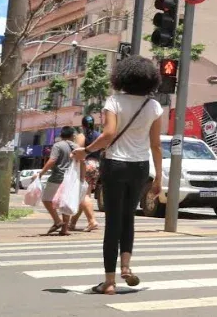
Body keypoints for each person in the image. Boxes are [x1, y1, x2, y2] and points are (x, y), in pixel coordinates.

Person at [71, 56, 164, 295]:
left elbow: (109, 133)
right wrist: (160, 178)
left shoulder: (114, 101)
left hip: (115, 165)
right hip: (140, 167)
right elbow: (156, 145)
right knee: (128, 219)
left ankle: (109, 282)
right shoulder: (153, 106)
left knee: (113, 223)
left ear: (122, 76)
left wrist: (86, 150)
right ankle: (126, 266)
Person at [36, 126, 77, 236]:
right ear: (72, 135)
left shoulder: (58, 145)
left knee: (45, 198)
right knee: (65, 202)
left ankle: (57, 221)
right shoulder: (76, 147)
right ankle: (64, 229)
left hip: (57, 176)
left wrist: (41, 173)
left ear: (61, 135)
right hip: (71, 178)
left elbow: (52, 160)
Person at [70, 115, 101, 232]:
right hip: (96, 165)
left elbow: (78, 153)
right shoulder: (98, 136)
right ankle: (72, 222)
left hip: (85, 165)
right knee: (84, 194)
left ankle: (92, 221)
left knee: (83, 195)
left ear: (82, 125)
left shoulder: (81, 136)